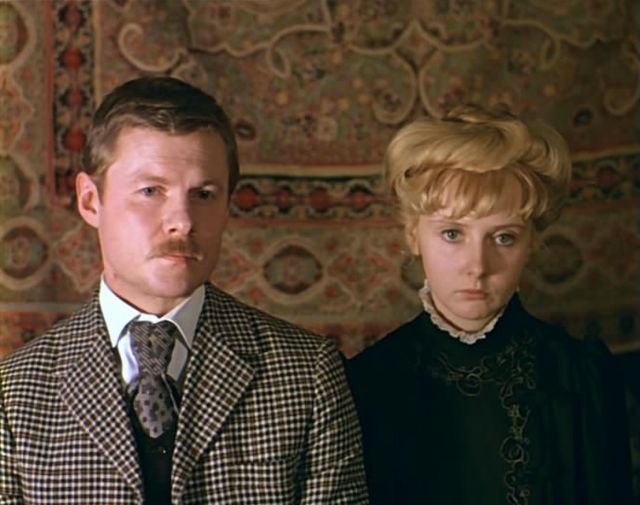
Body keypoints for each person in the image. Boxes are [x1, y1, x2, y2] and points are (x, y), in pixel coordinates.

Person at [0, 76, 368, 504]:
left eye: (204, 194)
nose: (183, 220)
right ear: (90, 200)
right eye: (150, 191)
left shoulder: (307, 375)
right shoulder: (13, 394)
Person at [346, 104, 634, 504]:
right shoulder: (366, 382)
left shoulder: (582, 375)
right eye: (452, 234)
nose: (478, 266)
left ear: (531, 243)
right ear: (413, 236)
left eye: (503, 237)